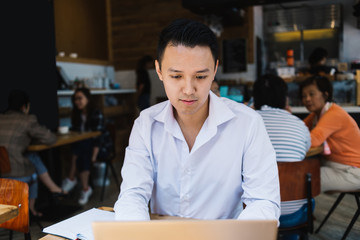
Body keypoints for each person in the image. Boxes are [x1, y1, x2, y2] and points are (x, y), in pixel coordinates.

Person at [114, 19, 280, 221]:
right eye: (176, 76)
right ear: (159, 71)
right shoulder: (146, 124)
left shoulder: (247, 123)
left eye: (200, 77)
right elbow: (132, 195)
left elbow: (263, 201)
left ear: (215, 70)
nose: (188, 89)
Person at [253, 74, 311, 232]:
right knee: (309, 200)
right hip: (293, 215)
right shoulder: (300, 125)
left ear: (254, 99)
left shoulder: (246, 123)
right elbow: (304, 152)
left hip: (252, 217)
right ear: (285, 99)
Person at [0, 90, 66, 217]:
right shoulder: (27, 120)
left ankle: (50, 191)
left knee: (32, 156)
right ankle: (31, 210)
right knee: (34, 173)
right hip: (15, 175)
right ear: (25, 106)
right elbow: (51, 139)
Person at [300, 75, 360, 193]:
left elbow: (314, 140)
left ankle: (304, 211)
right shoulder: (317, 115)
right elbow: (298, 130)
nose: (307, 99)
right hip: (336, 166)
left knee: (303, 181)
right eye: (303, 96)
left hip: (352, 171)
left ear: (325, 95)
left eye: (311, 94)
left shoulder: (334, 114)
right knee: (300, 175)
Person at [62, 87, 110, 205]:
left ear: (88, 99)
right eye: (75, 99)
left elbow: (98, 137)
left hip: (101, 148)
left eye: (80, 98)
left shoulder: (96, 113)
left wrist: (94, 156)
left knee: (82, 148)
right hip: (85, 149)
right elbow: (77, 132)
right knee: (81, 149)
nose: (77, 101)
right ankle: (85, 188)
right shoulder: (77, 114)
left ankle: (71, 179)